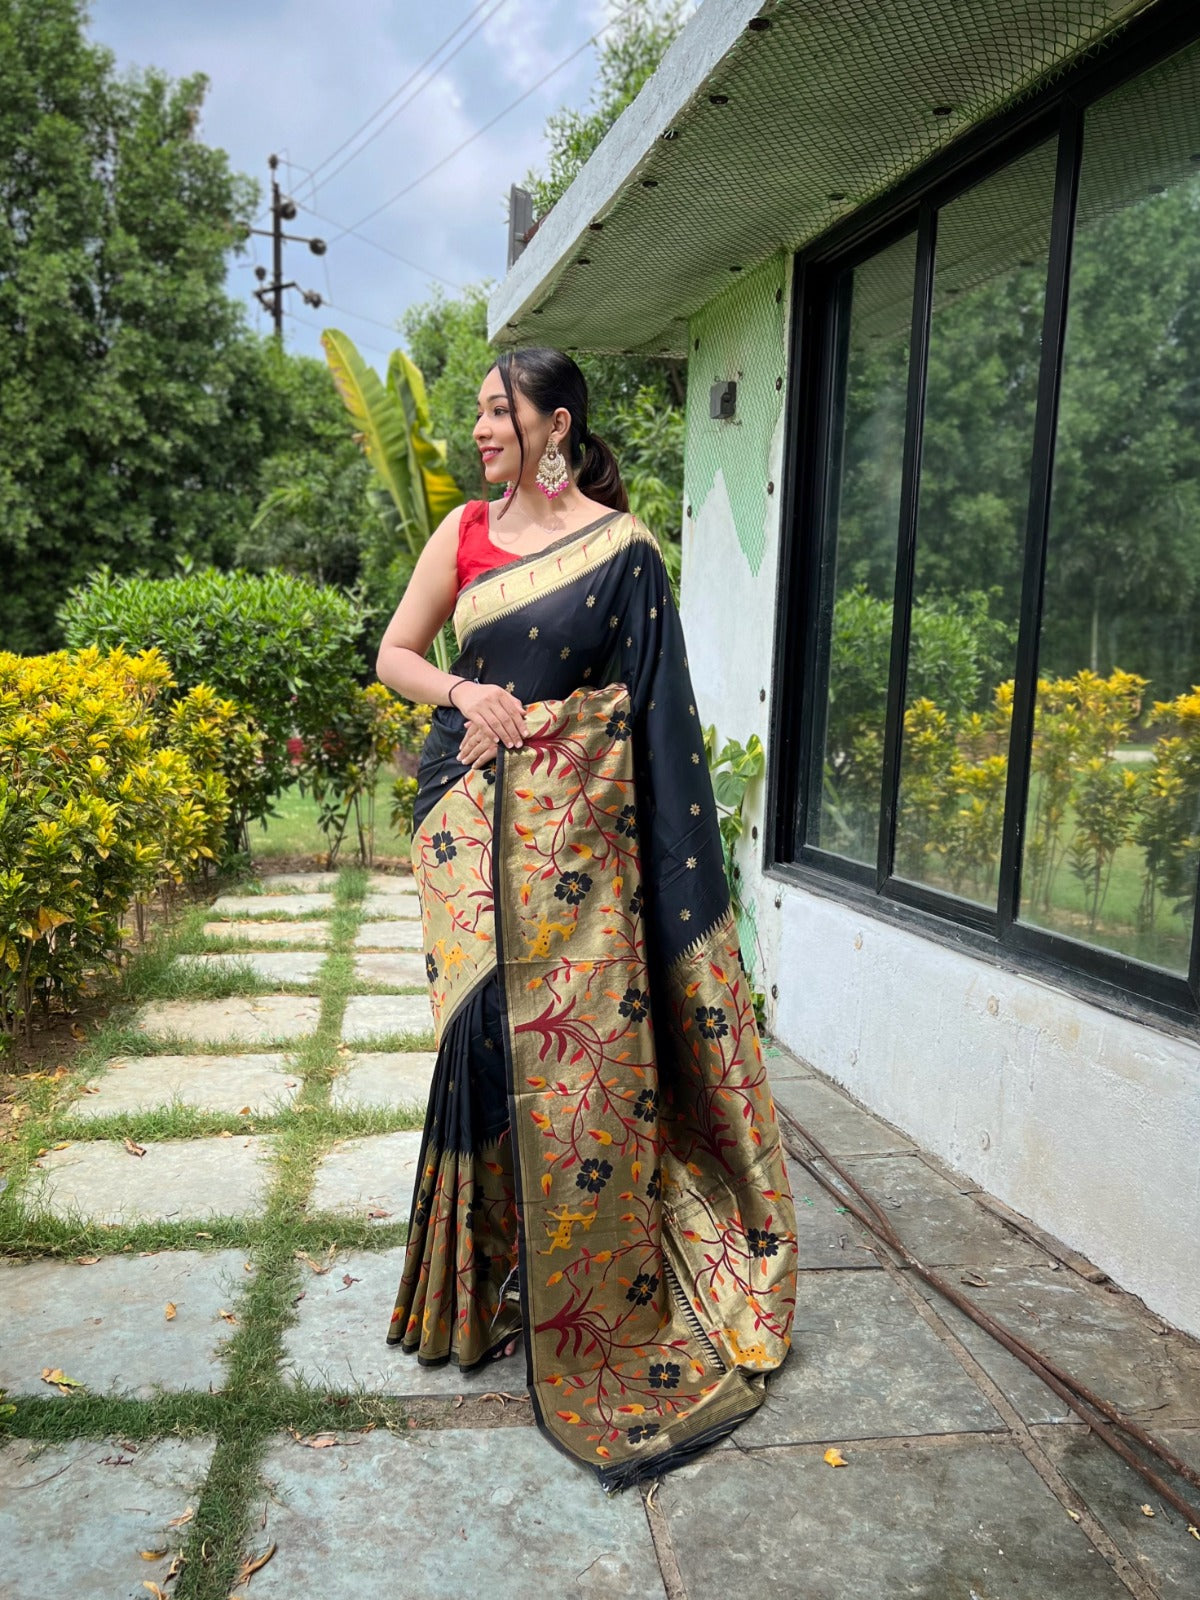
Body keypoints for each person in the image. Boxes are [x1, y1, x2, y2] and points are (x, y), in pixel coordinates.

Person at [375, 347, 797, 1491]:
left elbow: (646, 710)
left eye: (498, 412)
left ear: (554, 425)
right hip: (461, 809)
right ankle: (467, 1283)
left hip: (573, 834)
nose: (480, 430)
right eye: (474, 413)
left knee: (557, 1056)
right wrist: (466, 693)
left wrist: (554, 728)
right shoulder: (462, 531)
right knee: (473, 1034)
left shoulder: (624, 549)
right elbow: (396, 653)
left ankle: (555, 1274)